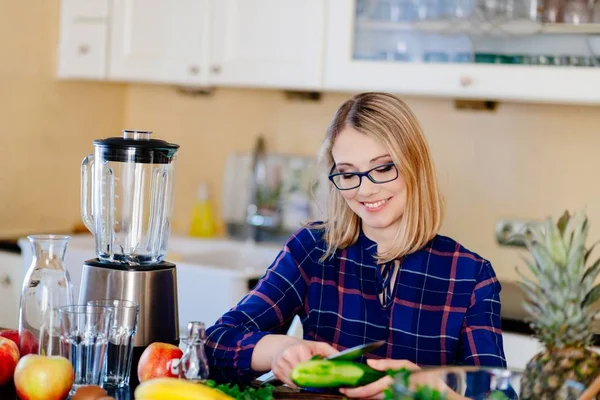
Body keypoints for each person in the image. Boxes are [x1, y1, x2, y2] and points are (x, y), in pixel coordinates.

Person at [205, 92, 507, 399]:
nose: (365, 189)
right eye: (348, 173)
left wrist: (429, 390)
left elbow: (499, 395)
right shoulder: (312, 250)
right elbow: (215, 344)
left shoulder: (470, 275)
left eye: (383, 168)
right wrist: (278, 350)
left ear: (415, 164)